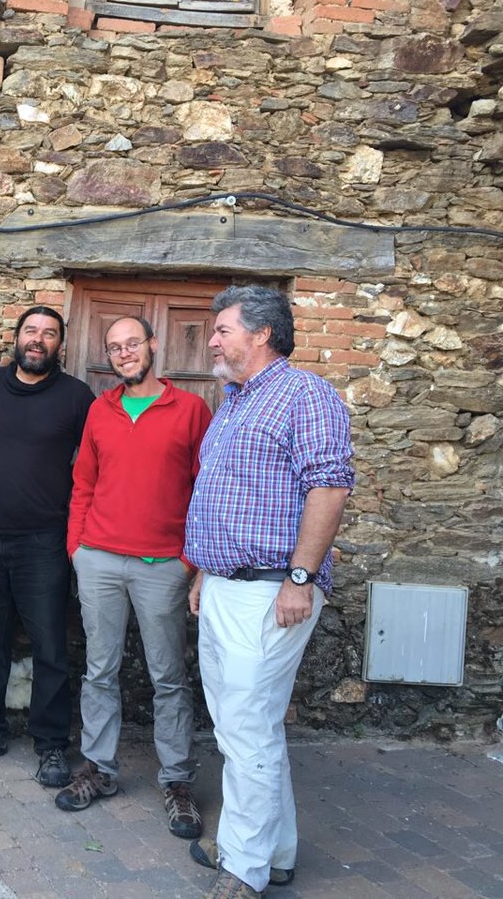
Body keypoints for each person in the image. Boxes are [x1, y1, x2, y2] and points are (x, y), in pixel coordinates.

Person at [185, 286, 354, 899]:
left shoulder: (305, 394)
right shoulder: (234, 401)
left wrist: (300, 579)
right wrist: (205, 571)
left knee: (246, 728)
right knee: (246, 726)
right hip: (226, 586)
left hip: (270, 591)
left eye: (223, 330)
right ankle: (274, 852)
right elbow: (224, 497)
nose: (211, 340)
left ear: (261, 334)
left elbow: (329, 488)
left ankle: (244, 867)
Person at [56, 315, 212, 842]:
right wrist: (77, 549)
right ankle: (99, 769)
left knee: (168, 676)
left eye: (132, 344)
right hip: (99, 560)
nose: (124, 353)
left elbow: (205, 489)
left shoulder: (190, 409)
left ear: (153, 344)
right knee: (99, 670)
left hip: (163, 565)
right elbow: (83, 483)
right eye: (115, 347)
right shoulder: (100, 411)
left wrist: (189, 560)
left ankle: (177, 781)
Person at [0, 306, 94, 788]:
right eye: (31, 331)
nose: (38, 339)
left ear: (60, 345)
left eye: (48, 333)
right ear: (16, 338)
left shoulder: (76, 397)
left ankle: (51, 744)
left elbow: (92, 462)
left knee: (51, 646)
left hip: (43, 542)